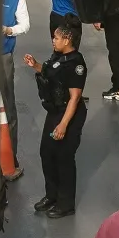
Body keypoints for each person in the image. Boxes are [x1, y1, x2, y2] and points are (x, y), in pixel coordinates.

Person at [30, 16, 88, 218]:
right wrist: (35, 64)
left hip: (69, 114)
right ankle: (51, 195)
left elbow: (74, 97)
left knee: (63, 157)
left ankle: (66, 203)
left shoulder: (76, 64)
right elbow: (48, 71)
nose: (53, 41)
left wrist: (63, 125)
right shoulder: (57, 57)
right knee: (47, 153)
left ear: (67, 41)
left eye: (56, 38)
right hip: (54, 112)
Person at [0, 0, 29, 166]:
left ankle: (11, 158)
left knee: (8, 105)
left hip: (3, 56)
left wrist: (9, 30)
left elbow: (25, 25)